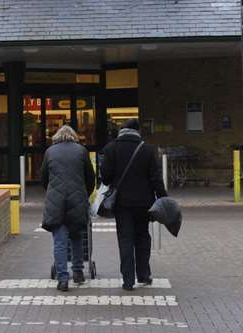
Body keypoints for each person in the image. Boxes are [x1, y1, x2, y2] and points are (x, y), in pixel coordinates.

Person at [100, 122, 166, 291]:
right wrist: (163, 198)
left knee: (125, 239)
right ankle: (144, 274)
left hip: (121, 203)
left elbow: (106, 178)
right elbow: (156, 178)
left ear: (121, 131)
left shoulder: (111, 148)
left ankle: (128, 280)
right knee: (142, 237)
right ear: (137, 131)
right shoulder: (148, 150)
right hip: (144, 202)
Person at [41, 124, 95, 291]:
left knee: (59, 241)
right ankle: (78, 273)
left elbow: (44, 177)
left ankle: (63, 278)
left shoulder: (50, 152)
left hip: (56, 201)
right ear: (73, 136)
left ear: (57, 136)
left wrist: (52, 192)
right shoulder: (81, 151)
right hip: (77, 200)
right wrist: (84, 193)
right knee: (77, 237)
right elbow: (90, 177)